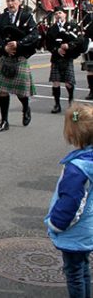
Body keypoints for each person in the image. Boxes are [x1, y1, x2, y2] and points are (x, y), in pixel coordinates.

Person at [45, 104, 93, 298]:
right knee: (83, 268)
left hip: (76, 230)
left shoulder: (77, 168)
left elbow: (72, 202)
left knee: (73, 273)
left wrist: (56, 223)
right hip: (88, 229)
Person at [0, 0, 39, 132]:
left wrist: (18, 44)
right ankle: (4, 121)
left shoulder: (27, 17)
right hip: (5, 57)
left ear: (19, 2)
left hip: (19, 57)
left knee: (21, 92)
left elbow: (34, 35)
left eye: (13, 0)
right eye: (8, 1)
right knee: (3, 91)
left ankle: (26, 108)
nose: (11, 4)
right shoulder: (2, 18)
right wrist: (4, 47)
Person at [47, 6, 84, 114]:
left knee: (69, 83)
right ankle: (57, 104)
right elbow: (48, 44)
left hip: (68, 58)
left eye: (60, 13)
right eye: (56, 14)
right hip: (56, 58)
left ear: (65, 14)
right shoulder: (52, 29)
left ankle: (71, 100)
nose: (58, 15)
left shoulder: (72, 26)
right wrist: (57, 50)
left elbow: (80, 40)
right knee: (55, 82)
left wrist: (69, 45)